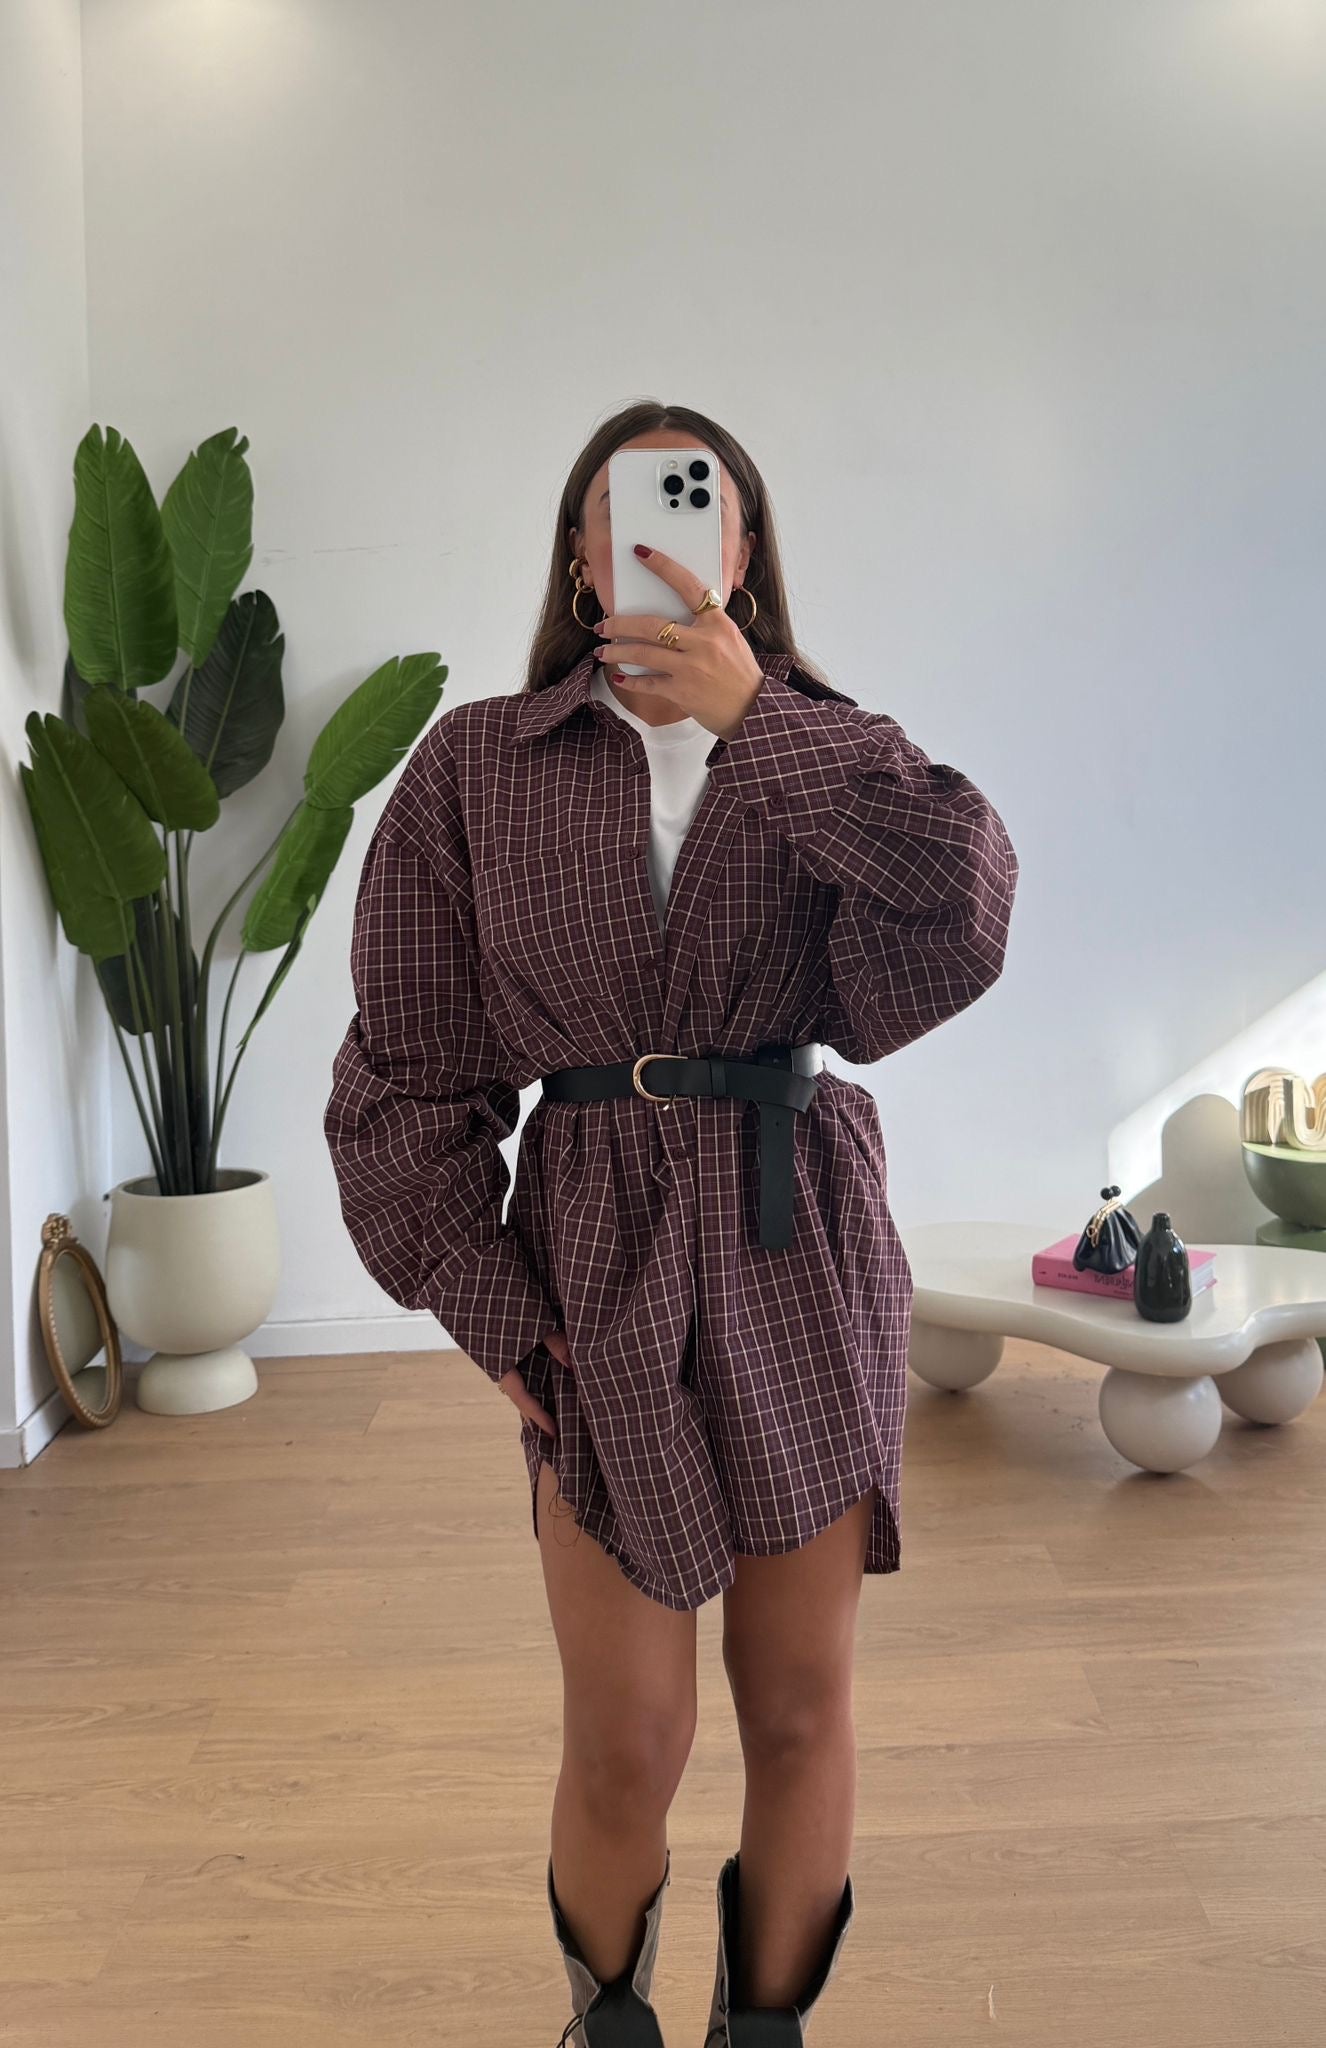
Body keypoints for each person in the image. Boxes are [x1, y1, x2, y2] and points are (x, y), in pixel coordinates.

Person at [323, 401, 1020, 2045]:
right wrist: (489, 1303)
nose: (651, 533)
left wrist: (754, 716)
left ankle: (762, 2029)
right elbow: (406, 1069)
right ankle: (606, 2023)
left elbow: (966, 901)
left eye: (694, 506)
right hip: (595, 1256)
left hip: (795, 1235)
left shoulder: (828, 746)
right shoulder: (475, 765)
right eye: (617, 509)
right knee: (627, 1732)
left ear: (745, 549)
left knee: (797, 1707)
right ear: (577, 559)